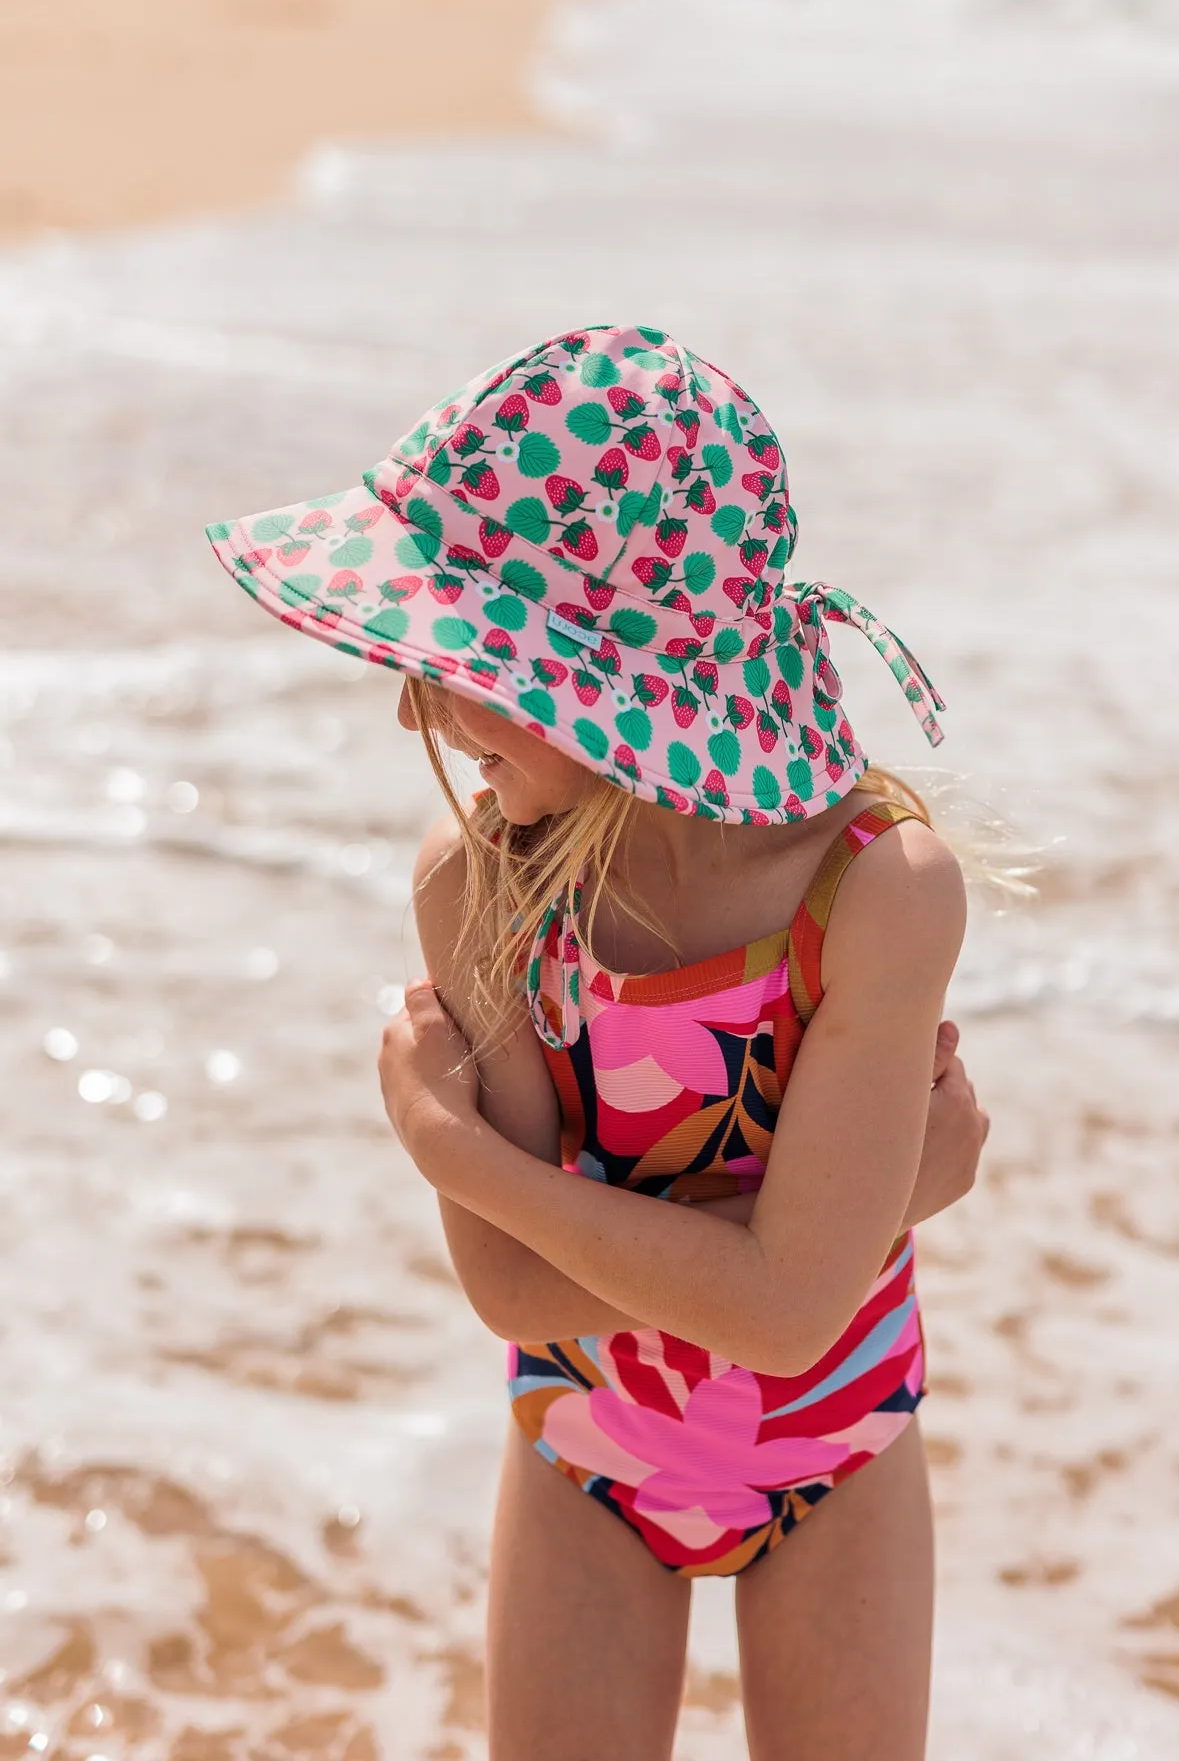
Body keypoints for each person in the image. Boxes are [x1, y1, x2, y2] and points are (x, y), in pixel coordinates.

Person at [207, 323, 990, 1761]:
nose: (413, 703)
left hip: (838, 1463)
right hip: (583, 1464)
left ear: (609, 682)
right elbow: (514, 1297)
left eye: (458, 656)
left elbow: (786, 1322)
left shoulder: (874, 889)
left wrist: (450, 1147)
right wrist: (836, 1213)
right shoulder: (484, 883)